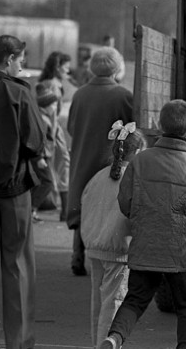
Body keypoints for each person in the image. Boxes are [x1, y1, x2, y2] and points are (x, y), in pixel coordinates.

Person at [101, 100, 186, 349]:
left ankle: (114, 338)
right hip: (179, 252)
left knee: (135, 300)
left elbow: (125, 203)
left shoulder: (140, 161)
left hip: (144, 246)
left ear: (159, 125)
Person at [0, 35, 45, 348]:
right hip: (15, 189)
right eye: (20, 60)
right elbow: (36, 141)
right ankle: (18, 342)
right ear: (9, 58)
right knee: (17, 265)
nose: (21, 66)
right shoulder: (19, 92)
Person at [66, 47, 133, 276]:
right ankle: (105, 256)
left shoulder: (79, 94)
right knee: (105, 203)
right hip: (109, 159)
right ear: (116, 67)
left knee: (82, 202)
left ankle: (77, 254)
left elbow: (71, 127)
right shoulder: (124, 96)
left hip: (83, 155)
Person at [81, 121, 146, 348]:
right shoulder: (136, 179)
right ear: (138, 152)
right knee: (113, 303)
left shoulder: (98, 177)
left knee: (97, 305)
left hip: (95, 246)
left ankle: (96, 344)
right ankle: (106, 345)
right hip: (120, 249)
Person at [38, 51, 71, 219]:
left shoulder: (53, 83)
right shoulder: (52, 84)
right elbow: (49, 113)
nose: (68, 71)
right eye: (65, 67)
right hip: (52, 130)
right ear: (57, 67)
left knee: (61, 166)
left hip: (53, 129)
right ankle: (64, 210)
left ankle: (63, 209)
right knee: (62, 164)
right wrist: (52, 137)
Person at [30, 81, 61, 222]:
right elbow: (38, 139)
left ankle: (31, 210)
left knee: (44, 181)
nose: (55, 107)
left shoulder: (47, 117)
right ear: (46, 105)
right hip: (41, 156)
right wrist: (40, 157)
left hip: (44, 154)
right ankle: (31, 209)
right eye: (53, 104)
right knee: (47, 182)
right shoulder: (42, 119)